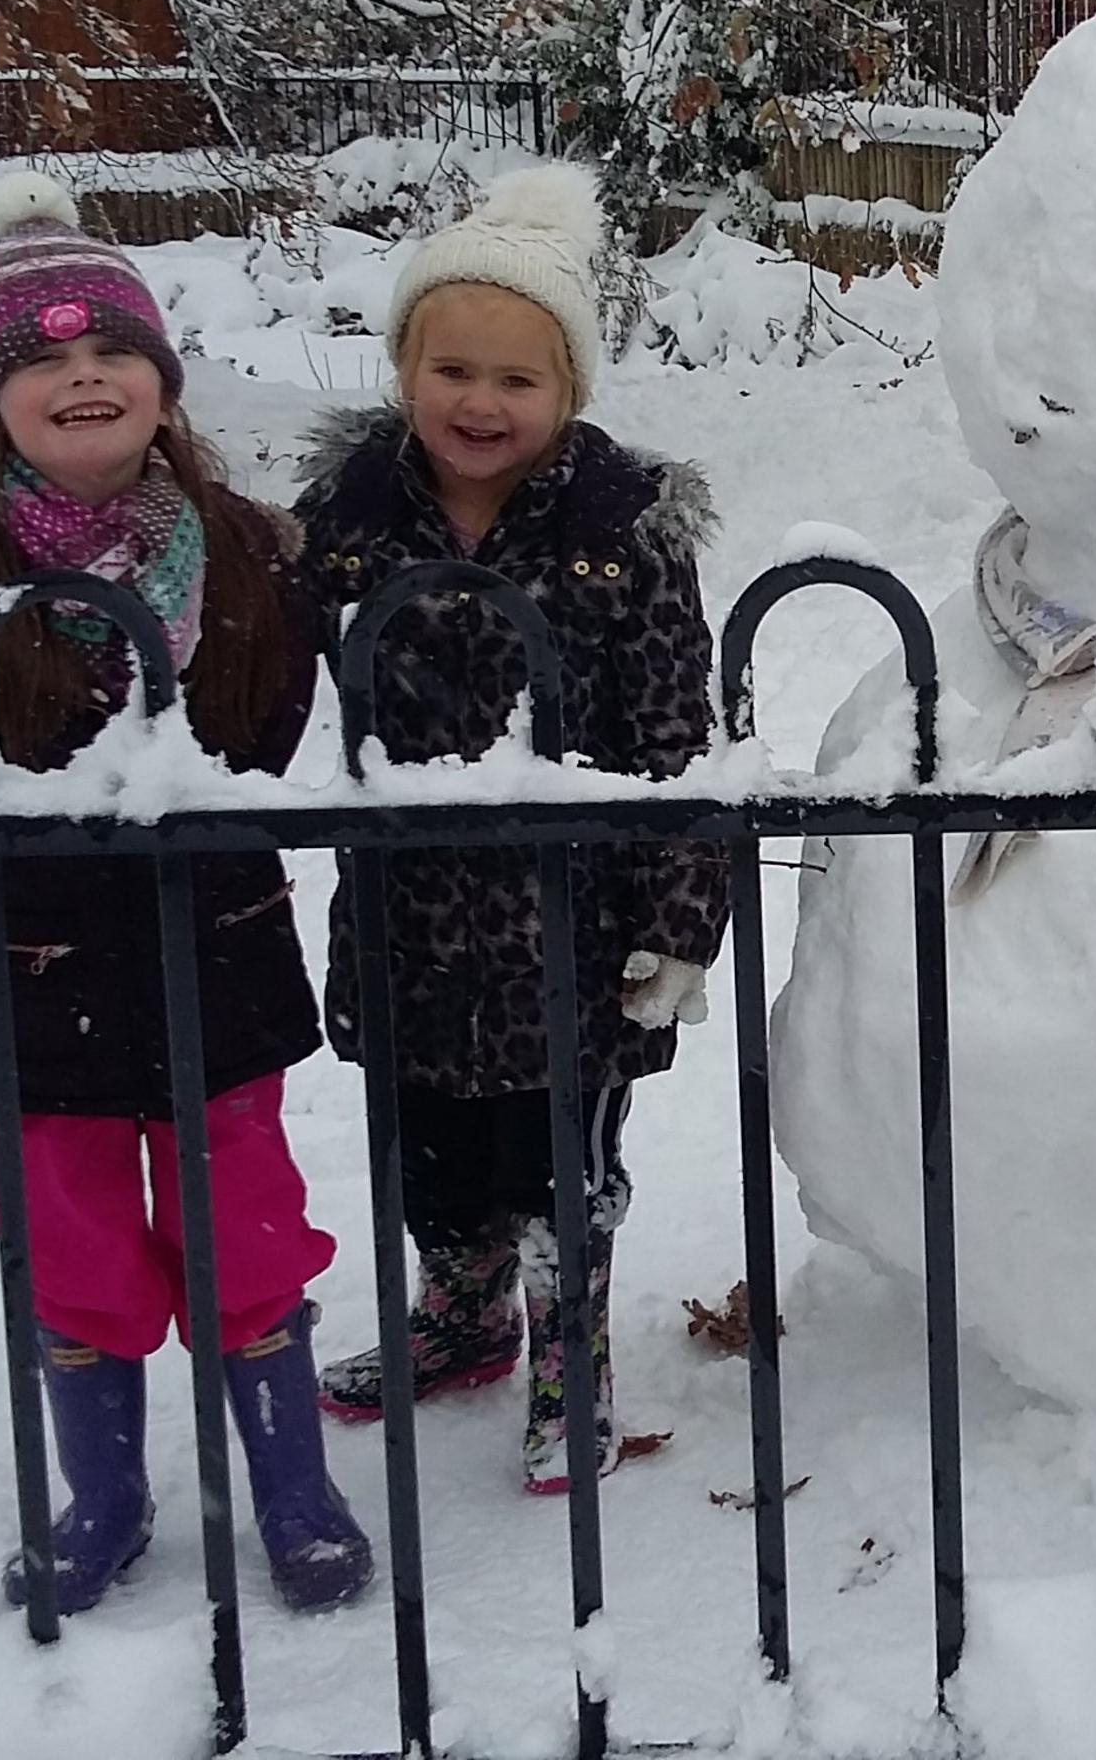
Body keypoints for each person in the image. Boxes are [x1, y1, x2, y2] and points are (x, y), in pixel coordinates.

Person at [0, 171, 370, 1613]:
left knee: (239, 1224)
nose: (83, 377)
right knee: (67, 1238)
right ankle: (104, 1493)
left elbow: (268, 720)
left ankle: (290, 1486)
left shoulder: (238, 547)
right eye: (41, 362)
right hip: (19, 966)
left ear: (162, 383)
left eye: (112, 351)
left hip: (211, 947)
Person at [294, 162, 731, 1496]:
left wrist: (675, 925)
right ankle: (465, 1312)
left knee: (562, 1170)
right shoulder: (350, 521)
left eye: (517, 380)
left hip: (575, 926)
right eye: (453, 370)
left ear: (570, 391)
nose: (480, 404)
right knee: (428, 1155)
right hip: (407, 917)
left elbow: (671, 731)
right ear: (404, 367)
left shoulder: (621, 534)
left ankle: (569, 1357)